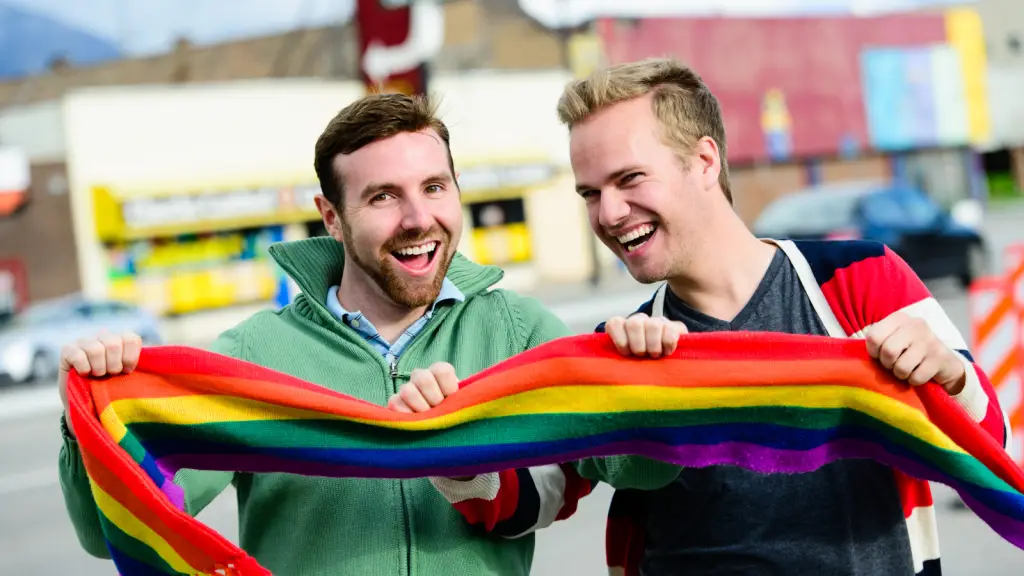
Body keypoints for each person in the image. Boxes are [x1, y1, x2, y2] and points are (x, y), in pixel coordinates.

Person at [397, 58, 1012, 576]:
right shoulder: (622, 350)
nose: (609, 213)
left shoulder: (860, 279)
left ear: (705, 161)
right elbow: (529, 500)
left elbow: (989, 444)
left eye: (630, 178)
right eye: (589, 193)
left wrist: (947, 377)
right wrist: (452, 447)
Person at [55, 93, 591, 576]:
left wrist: (657, 341)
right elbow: (112, 530)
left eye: (434, 187)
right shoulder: (252, 356)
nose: (417, 218)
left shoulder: (518, 329)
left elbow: (599, 469)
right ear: (331, 217)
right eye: (383, 197)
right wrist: (91, 421)